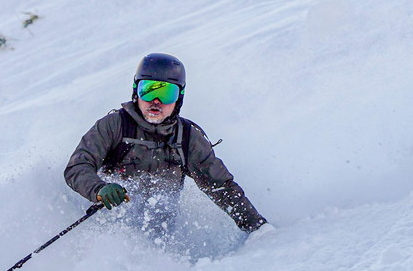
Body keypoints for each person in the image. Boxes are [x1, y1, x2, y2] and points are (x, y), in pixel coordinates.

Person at [64, 53, 269, 238]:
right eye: (148, 90)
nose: (155, 101)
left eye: (166, 94)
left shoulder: (187, 138)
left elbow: (221, 187)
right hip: (107, 232)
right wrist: (100, 189)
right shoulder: (114, 126)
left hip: (160, 240)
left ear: (179, 98)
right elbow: (77, 167)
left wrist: (258, 229)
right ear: (136, 91)